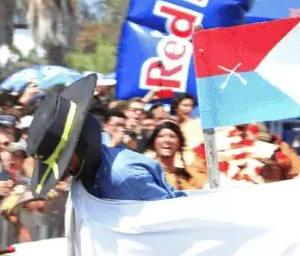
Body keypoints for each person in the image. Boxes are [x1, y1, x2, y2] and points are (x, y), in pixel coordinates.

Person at [26, 75, 185, 202]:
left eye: (65, 161)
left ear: (81, 146)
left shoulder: (124, 176)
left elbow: (164, 221)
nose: (64, 171)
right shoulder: (83, 181)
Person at [147, 119, 207, 191]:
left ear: (179, 144)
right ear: (153, 143)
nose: (167, 140)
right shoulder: (146, 175)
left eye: (172, 136)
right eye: (161, 136)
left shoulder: (190, 175)